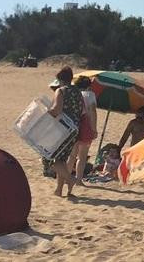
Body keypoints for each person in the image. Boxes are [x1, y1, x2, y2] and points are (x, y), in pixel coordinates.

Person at [46, 67, 84, 197]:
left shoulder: (61, 91)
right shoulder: (78, 92)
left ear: (60, 79)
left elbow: (56, 110)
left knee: (48, 159)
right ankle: (59, 190)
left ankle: (70, 179)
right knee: (61, 160)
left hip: (63, 129)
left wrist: (47, 113)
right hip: (75, 130)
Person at [67, 77, 98, 185]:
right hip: (86, 126)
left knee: (71, 155)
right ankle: (78, 180)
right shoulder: (90, 95)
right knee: (82, 156)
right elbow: (93, 111)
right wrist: (94, 129)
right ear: (88, 86)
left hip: (73, 125)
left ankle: (66, 178)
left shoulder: (74, 94)